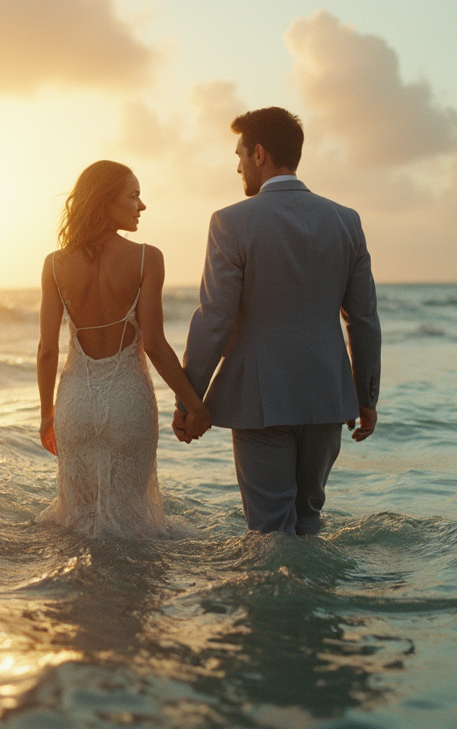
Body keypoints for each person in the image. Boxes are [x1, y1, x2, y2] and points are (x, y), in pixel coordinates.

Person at [175, 107, 381, 536]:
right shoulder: (347, 221)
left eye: (239, 155)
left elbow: (215, 317)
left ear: (260, 154)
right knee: (309, 520)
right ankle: (316, 603)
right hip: (327, 396)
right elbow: (362, 319)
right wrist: (366, 397)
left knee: (270, 532)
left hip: (259, 399)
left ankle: (275, 604)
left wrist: (189, 400)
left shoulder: (230, 222)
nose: (237, 166)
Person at [37, 160, 210, 538]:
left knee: (77, 526)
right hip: (128, 402)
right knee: (135, 528)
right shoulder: (148, 258)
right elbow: (155, 345)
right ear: (104, 202)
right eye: (133, 196)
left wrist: (47, 415)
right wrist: (194, 405)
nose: (141, 206)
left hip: (75, 404)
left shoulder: (54, 266)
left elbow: (47, 350)